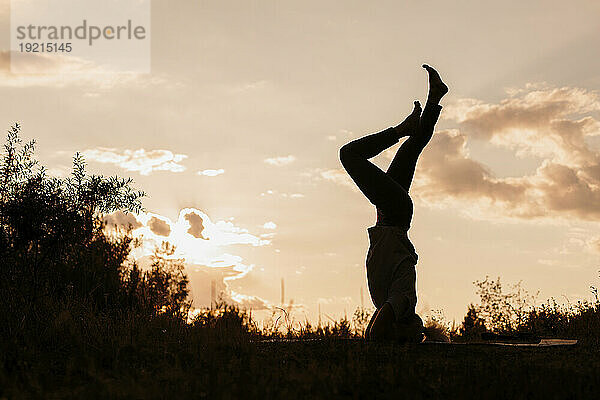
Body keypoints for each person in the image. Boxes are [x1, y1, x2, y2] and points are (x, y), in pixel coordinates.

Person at [339, 64, 448, 342]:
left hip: (390, 214)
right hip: (394, 213)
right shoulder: (403, 301)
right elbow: (374, 338)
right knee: (349, 155)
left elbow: (374, 332)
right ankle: (403, 127)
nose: (420, 328)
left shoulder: (388, 304)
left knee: (411, 147)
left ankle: (435, 98)